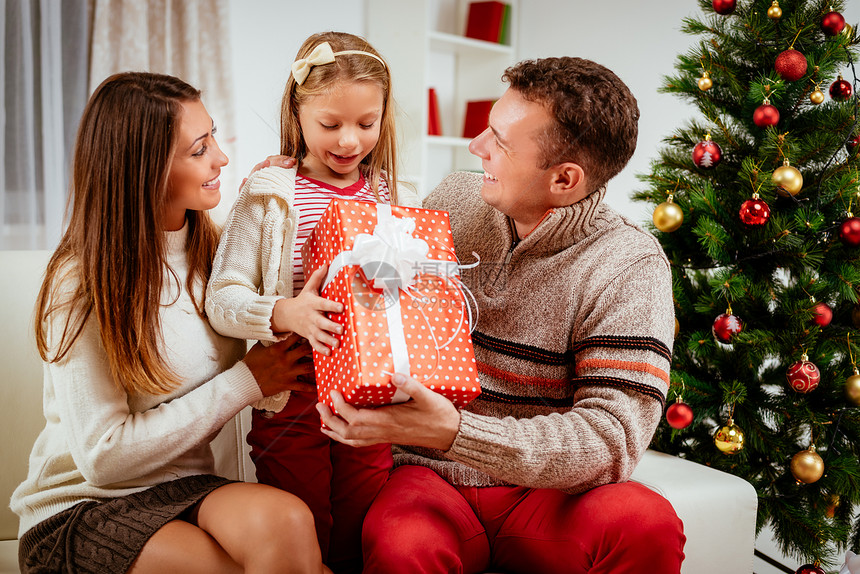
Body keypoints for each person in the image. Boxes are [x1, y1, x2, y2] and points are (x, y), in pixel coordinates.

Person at [317, 57, 687, 573]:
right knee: (402, 542)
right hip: (432, 478)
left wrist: (455, 432)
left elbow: (610, 440)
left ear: (564, 179)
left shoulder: (629, 265)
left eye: (501, 141)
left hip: (547, 495)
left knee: (646, 521)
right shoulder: (455, 200)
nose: (476, 147)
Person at [10, 72, 329, 574]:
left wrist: (277, 196)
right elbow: (103, 457)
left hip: (187, 489)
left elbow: (289, 289)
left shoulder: (216, 255)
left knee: (289, 522)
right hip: (86, 505)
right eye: (199, 148)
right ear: (145, 168)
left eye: (214, 136)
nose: (221, 158)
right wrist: (246, 382)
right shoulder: (81, 283)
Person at [205, 31, 420, 574]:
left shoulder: (397, 197)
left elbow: (414, 298)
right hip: (291, 389)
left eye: (366, 123)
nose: (349, 141)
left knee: (359, 529)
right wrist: (283, 312)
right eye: (330, 124)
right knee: (301, 528)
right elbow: (222, 298)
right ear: (297, 113)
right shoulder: (269, 193)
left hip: (371, 398)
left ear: (384, 117)